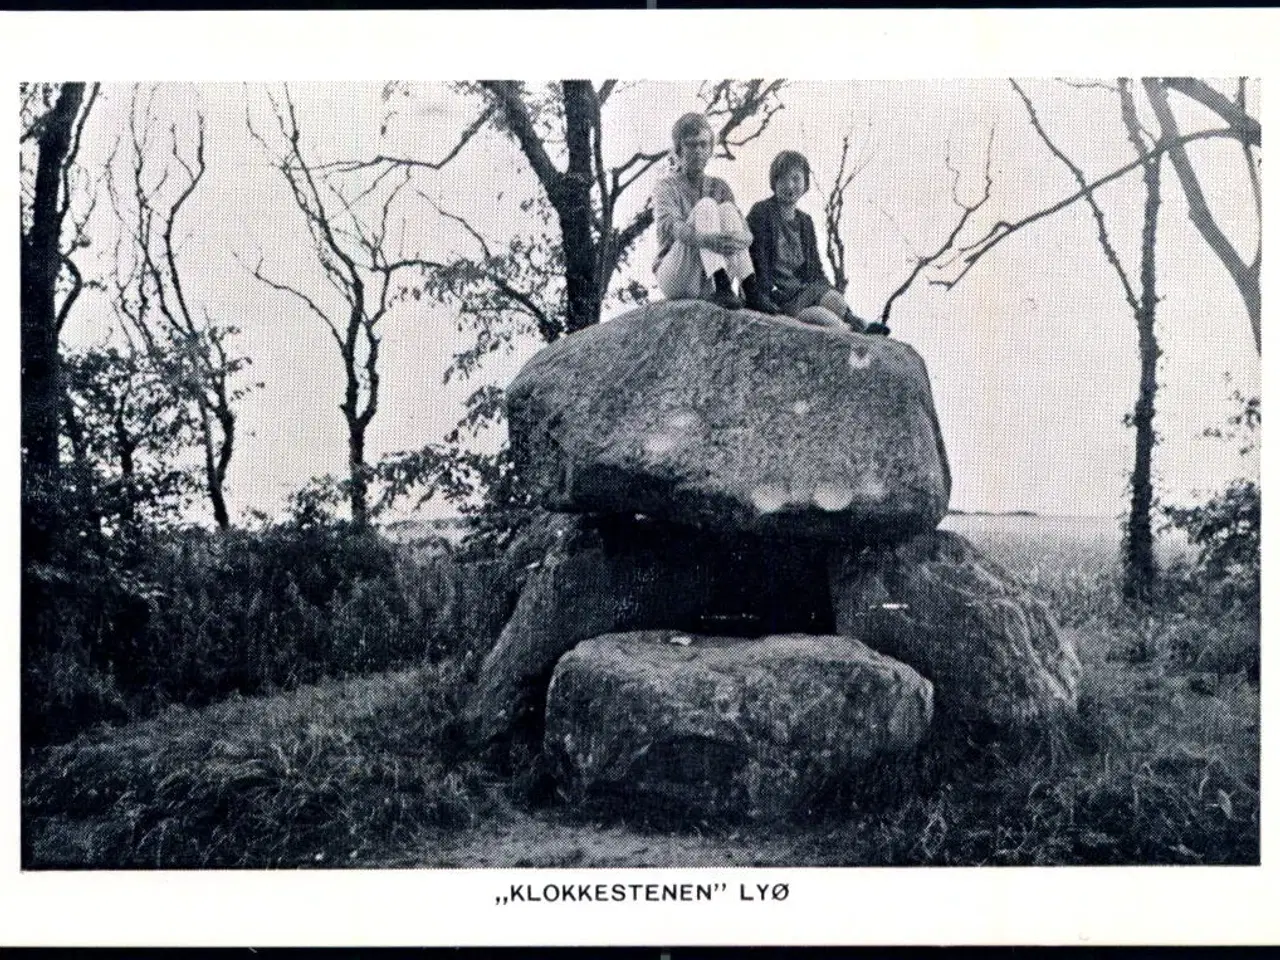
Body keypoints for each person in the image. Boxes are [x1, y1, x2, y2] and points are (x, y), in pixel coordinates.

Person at [746, 150, 890, 336]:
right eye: (782, 179)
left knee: (831, 303)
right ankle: (855, 329)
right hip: (776, 298)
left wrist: (827, 290)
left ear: (805, 183)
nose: (789, 185)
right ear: (774, 182)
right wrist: (766, 295)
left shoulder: (805, 222)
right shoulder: (762, 212)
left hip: (802, 294)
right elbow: (757, 260)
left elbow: (815, 270)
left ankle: (859, 324)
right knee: (824, 316)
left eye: (796, 179)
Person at [652, 112, 773, 311]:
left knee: (727, 209)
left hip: (706, 283)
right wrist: (706, 240)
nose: (698, 151)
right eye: (691, 145)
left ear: (710, 150)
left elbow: (747, 234)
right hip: (678, 276)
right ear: (679, 150)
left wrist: (736, 240)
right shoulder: (666, 186)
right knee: (706, 205)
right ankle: (722, 284)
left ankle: (749, 288)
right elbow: (672, 227)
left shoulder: (720, 186)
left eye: (703, 144)